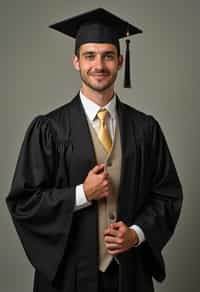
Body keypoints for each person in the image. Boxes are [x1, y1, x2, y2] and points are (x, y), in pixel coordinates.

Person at [6, 8, 183, 292]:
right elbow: (24, 202)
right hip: (68, 277)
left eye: (108, 56)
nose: (98, 65)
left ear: (120, 61)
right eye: (89, 55)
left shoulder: (145, 129)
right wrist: (81, 194)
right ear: (76, 61)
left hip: (129, 275)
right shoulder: (49, 129)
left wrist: (136, 235)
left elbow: (167, 195)